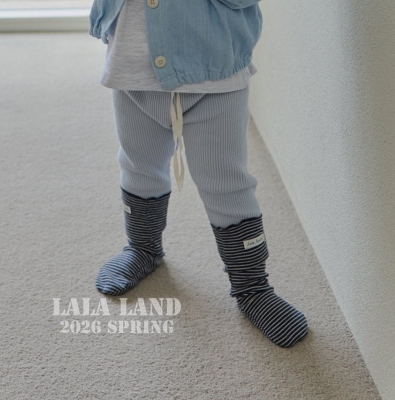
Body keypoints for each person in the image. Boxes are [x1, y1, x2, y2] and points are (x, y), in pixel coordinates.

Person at [89, 0, 308, 348]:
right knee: (138, 165)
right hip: (132, 68)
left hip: (214, 73)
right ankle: (143, 248)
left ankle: (252, 286)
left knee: (226, 184)